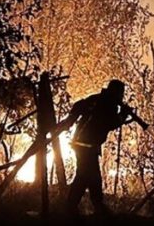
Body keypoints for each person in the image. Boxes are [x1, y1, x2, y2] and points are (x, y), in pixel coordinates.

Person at [51, 79, 142, 216]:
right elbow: (111, 123)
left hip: (82, 144)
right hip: (87, 146)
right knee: (91, 177)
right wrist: (123, 114)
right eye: (121, 94)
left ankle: (81, 207)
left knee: (84, 176)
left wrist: (70, 120)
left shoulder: (96, 99)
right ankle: (92, 207)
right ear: (117, 93)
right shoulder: (108, 105)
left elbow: (79, 105)